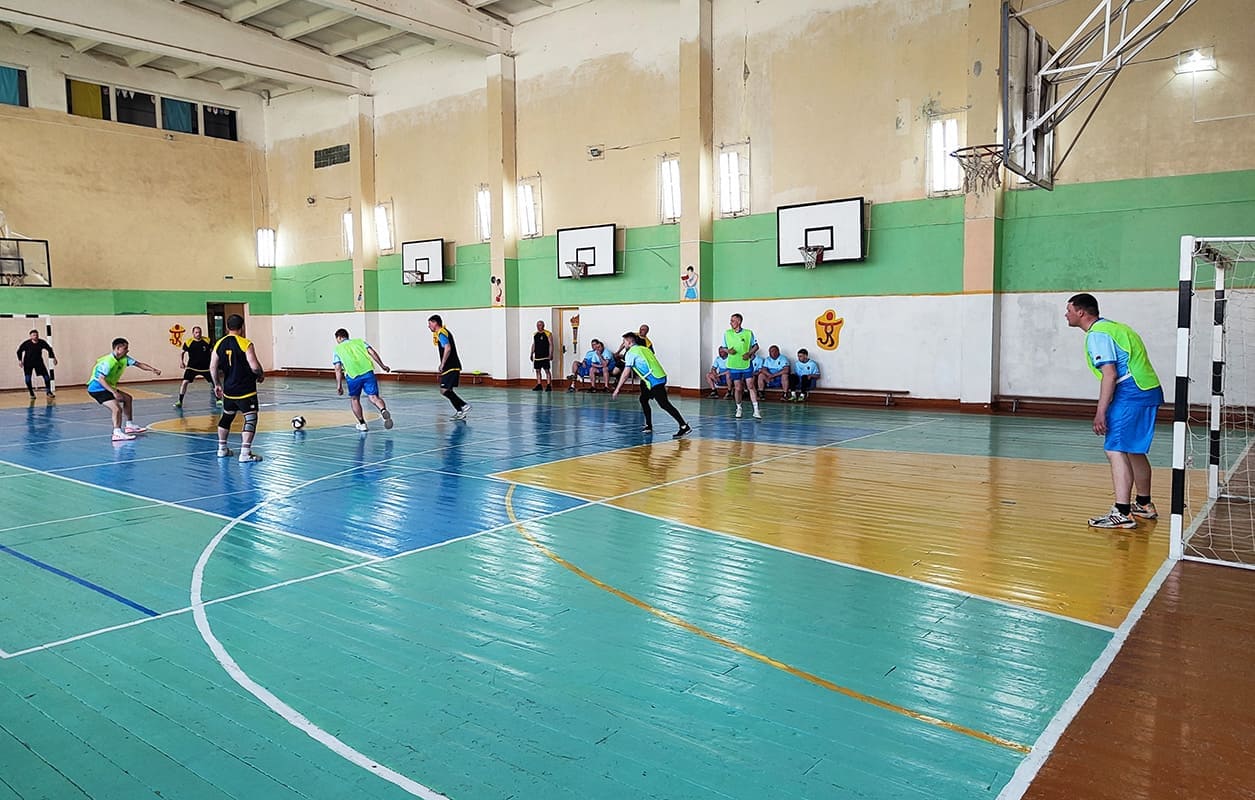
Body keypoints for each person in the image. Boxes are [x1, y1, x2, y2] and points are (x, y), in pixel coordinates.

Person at [1066, 293, 1164, 529]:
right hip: (1147, 389)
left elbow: (1109, 374)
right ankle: (1143, 504)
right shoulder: (1114, 327)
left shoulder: (1098, 334)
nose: (1066, 315)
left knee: (1115, 449)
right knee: (1133, 449)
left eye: (1068, 310)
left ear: (1081, 312)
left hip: (1131, 393)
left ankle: (1122, 512)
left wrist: (1101, 412)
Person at [612, 331, 691, 439]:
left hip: (654, 380)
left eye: (624, 342)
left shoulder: (631, 353)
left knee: (664, 404)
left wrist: (617, 388)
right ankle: (648, 425)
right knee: (643, 399)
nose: (623, 344)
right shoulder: (644, 349)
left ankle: (684, 426)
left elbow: (626, 373)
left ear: (629, 342)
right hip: (657, 377)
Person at [210, 314, 265, 462]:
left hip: (229, 390)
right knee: (250, 419)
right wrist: (260, 374)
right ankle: (245, 453)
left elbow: (213, 367)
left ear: (227, 327)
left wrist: (217, 384)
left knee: (226, 417)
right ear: (242, 327)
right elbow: (254, 366)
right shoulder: (245, 343)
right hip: (246, 390)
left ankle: (222, 449)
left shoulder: (219, 344)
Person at [86, 338, 161, 441]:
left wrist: (153, 370)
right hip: (97, 388)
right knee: (116, 409)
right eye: (125, 348)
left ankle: (129, 426)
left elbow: (139, 364)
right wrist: (114, 392)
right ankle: (117, 433)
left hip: (108, 387)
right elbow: (101, 379)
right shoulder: (108, 362)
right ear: (118, 348)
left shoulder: (124, 358)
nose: (127, 350)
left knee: (128, 398)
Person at [333, 328, 394, 432]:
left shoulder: (337, 349)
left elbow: (338, 368)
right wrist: (382, 366)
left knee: (355, 399)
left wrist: (339, 385)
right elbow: (372, 353)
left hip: (353, 376)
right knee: (374, 397)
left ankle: (362, 424)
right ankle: (383, 410)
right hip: (368, 372)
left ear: (339, 337)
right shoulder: (360, 342)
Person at [428, 314, 470, 420]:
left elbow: (447, 348)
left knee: (444, 390)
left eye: (430, 323)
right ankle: (460, 411)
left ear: (435, 323)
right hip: (452, 366)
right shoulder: (442, 332)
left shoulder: (441, 333)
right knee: (448, 390)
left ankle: (464, 405)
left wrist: (442, 363)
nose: (429, 326)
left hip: (451, 366)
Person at [723, 313, 761, 419]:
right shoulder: (727, 333)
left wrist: (749, 353)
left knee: (750, 385)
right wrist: (728, 351)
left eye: (733, 321)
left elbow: (756, 346)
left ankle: (756, 410)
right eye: (730, 321)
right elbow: (723, 347)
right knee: (738, 388)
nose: (730, 323)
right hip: (734, 364)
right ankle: (739, 408)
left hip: (746, 364)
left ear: (739, 321)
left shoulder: (748, 333)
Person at [173, 326, 213, 408]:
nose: (198, 334)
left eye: (199, 332)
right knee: (184, 382)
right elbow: (182, 352)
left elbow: (212, 351)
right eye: (196, 332)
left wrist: (213, 363)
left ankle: (219, 399)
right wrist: (181, 362)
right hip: (192, 367)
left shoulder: (207, 340)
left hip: (205, 367)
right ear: (193, 333)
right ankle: (180, 401)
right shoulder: (188, 342)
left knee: (215, 382)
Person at [16, 329, 56, 398]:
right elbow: (19, 351)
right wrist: (20, 360)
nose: (35, 336)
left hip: (39, 362)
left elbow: (49, 349)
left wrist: (54, 358)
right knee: (28, 379)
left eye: (37, 335)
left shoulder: (42, 342)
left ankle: (49, 392)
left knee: (47, 378)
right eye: (34, 335)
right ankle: (31, 393)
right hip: (28, 363)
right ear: (30, 336)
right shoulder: (26, 343)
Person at [529, 320, 554, 391]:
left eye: (540, 325)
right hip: (537, 356)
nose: (538, 326)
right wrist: (531, 353)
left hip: (545, 356)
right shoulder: (535, 334)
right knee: (537, 371)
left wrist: (551, 354)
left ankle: (548, 385)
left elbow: (551, 344)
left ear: (543, 326)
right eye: (537, 325)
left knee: (547, 370)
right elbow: (534, 344)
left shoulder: (548, 333)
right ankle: (539, 384)